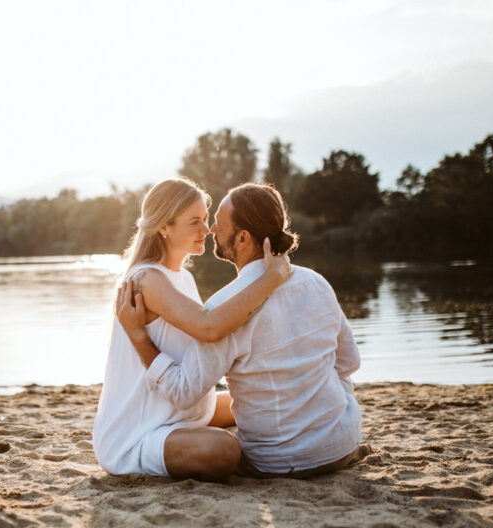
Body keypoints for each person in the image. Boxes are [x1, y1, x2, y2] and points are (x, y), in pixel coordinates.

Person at [117, 182, 368, 479]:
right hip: (341, 446)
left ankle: (296, 437)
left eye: (219, 224)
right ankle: (323, 432)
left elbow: (183, 392)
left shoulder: (224, 307)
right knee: (336, 381)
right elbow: (349, 362)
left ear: (242, 238)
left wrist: (139, 338)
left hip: (275, 462)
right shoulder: (316, 282)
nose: (211, 230)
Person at [92, 178, 293, 482]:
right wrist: (270, 280)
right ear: (163, 227)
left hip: (183, 409)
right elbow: (209, 328)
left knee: (262, 401)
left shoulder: (183, 277)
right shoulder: (147, 280)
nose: (208, 229)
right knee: (224, 451)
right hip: (141, 430)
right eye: (195, 222)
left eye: (206, 219)